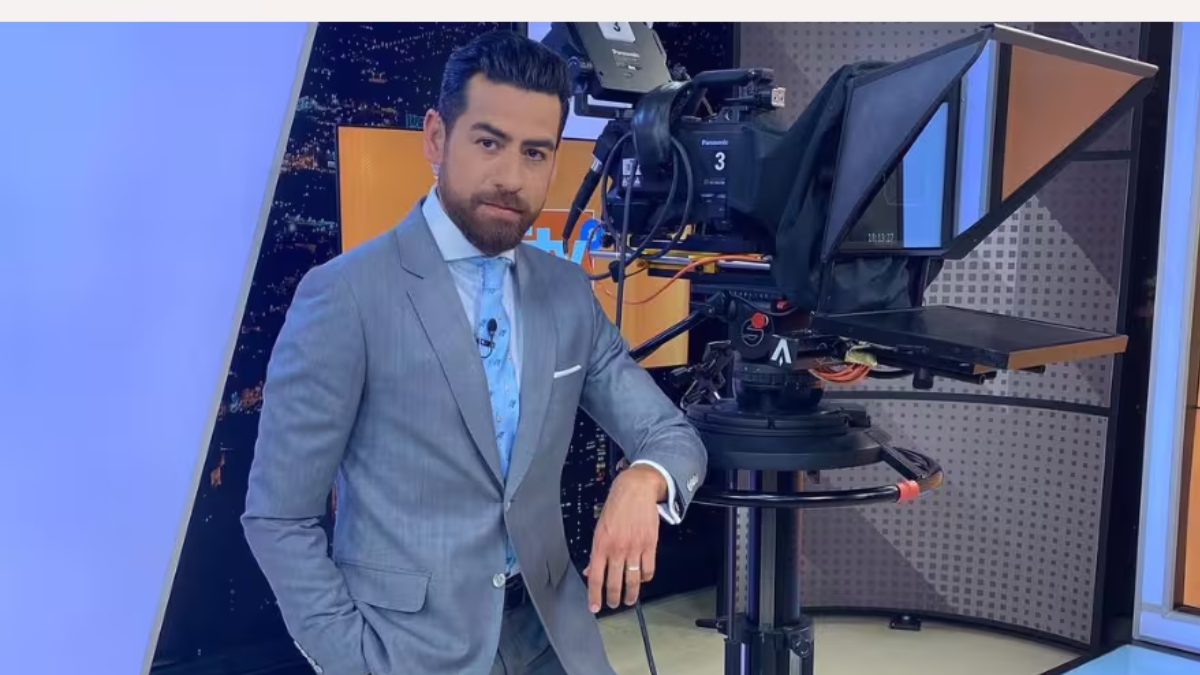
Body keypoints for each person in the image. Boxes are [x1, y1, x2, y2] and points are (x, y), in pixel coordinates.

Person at [242, 30, 708, 675]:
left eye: (535, 152)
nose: (511, 177)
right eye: (488, 142)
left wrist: (645, 477)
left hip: (551, 636)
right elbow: (279, 516)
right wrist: (351, 659)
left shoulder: (566, 292)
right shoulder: (345, 295)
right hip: (407, 650)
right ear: (436, 138)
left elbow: (670, 434)